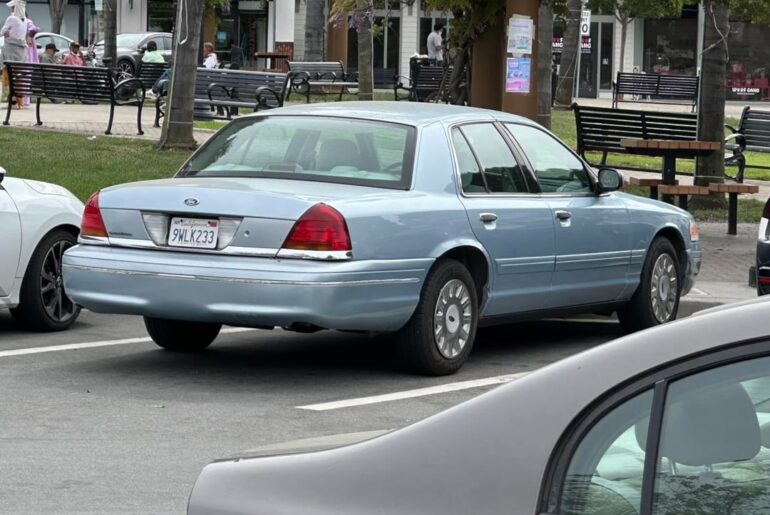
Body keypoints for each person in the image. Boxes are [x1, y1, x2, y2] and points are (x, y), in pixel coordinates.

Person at [2, 0, 29, 108]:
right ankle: (18, 102)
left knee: (10, 76)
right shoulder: (25, 20)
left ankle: (12, 101)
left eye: (12, 7)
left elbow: (2, 31)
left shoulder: (11, 18)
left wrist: (6, 33)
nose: (11, 9)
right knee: (18, 78)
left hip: (11, 52)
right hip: (21, 53)